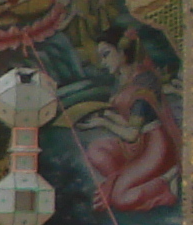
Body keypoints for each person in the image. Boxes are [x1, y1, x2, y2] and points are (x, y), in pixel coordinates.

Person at [72, 26, 181, 213]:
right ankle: (124, 180)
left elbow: (132, 133)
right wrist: (106, 115)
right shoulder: (122, 79)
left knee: (121, 199)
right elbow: (128, 122)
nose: (103, 62)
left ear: (122, 52)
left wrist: (103, 122)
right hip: (135, 144)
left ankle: (166, 181)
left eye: (106, 55)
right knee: (96, 150)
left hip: (154, 146)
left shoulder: (143, 82)